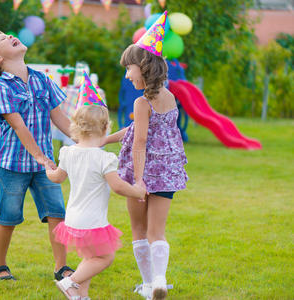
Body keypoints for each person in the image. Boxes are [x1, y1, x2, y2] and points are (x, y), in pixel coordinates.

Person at [104, 14, 189, 299]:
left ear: (142, 68)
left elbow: (139, 142)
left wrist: (138, 181)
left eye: (129, 69)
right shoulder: (168, 96)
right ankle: (160, 280)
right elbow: (135, 130)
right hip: (167, 172)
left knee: (139, 230)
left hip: (141, 173)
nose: (127, 76)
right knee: (158, 232)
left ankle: (147, 283)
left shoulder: (142, 102)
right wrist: (105, 139)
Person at [0, 30, 74, 281]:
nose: (10, 35)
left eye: (9, 35)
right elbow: (20, 127)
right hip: (12, 165)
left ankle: (61, 267)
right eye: (2, 39)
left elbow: (60, 118)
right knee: (8, 216)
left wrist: (83, 138)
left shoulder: (42, 80)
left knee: (57, 213)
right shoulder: (1, 88)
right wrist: (43, 158)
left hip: (44, 165)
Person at [45, 105, 147, 300]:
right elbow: (117, 186)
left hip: (73, 218)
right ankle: (69, 282)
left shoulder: (68, 152)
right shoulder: (104, 158)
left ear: (76, 126)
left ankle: (81, 295)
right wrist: (137, 191)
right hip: (92, 220)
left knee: (91, 257)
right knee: (105, 258)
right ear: (105, 128)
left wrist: (47, 169)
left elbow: (57, 178)